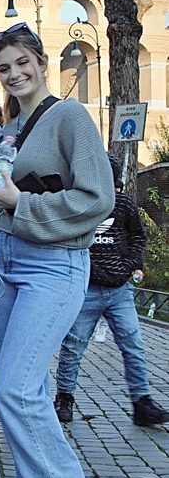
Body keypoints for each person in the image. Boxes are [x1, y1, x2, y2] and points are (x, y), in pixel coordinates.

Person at [0, 22, 114, 478]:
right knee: (23, 388)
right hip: (6, 260)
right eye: (4, 69)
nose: (15, 74)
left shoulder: (69, 116)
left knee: (15, 385)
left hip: (52, 264)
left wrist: (24, 204)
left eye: (22, 63)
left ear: (41, 61)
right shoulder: (10, 128)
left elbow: (98, 198)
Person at [54, 153, 168, 427]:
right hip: (87, 289)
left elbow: (138, 237)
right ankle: (64, 397)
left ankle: (142, 402)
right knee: (73, 345)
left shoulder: (125, 205)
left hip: (119, 291)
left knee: (133, 344)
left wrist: (129, 264)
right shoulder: (81, 204)